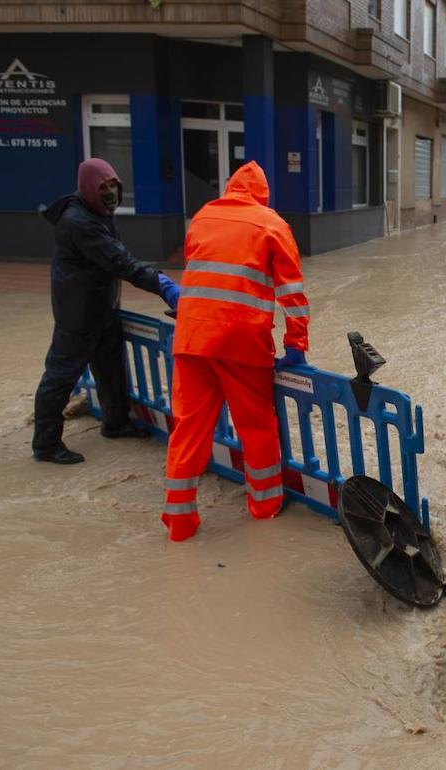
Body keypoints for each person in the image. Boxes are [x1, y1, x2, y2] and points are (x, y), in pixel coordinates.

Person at [160, 161, 309, 543]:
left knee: (188, 428)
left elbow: (198, 270)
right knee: (256, 426)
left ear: (229, 189)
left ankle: (179, 522)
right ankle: (265, 507)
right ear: (262, 195)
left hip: (192, 337)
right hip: (241, 342)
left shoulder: (202, 217)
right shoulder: (272, 224)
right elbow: (291, 293)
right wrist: (296, 344)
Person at [32, 158, 180, 464]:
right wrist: (163, 285)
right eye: (103, 187)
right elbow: (120, 262)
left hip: (103, 307)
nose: (110, 193)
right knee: (61, 376)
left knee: (111, 370)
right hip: (78, 313)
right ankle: (46, 443)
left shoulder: (98, 212)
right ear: (88, 188)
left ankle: (116, 423)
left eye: (114, 186)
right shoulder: (80, 222)